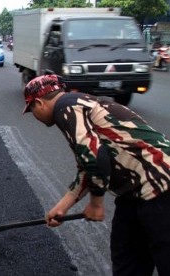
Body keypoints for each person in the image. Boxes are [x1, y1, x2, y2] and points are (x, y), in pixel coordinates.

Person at [22, 74, 170, 276]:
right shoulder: (78, 103)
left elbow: (95, 158)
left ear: (38, 103)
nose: (35, 116)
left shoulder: (65, 107)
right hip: (136, 193)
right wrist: (62, 207)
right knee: (127, 257)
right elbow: (88, 165)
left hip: (162, 187)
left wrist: (96, 203)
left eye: (31, 110)